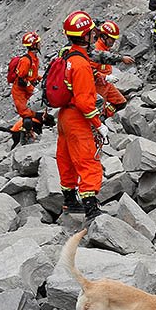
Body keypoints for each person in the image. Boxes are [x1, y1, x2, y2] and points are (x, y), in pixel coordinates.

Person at [56, 11, 110, 221]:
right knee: (88, 161)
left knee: (66, 158)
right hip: (77, 118)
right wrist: (98, 124)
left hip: (64, 117)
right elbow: (84, 101)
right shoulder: (80, 64)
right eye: (91, 34)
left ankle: (69, 201)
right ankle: (91, 209)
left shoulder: (67, 55)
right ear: (86, 35)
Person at [92, 20, 134, 118]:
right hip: (98, 86)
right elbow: (89, 71)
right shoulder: (96, 49)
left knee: (121, 102)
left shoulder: (105, 48)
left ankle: (106, 114)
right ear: (104, 36)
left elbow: (110, 57)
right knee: (98, 109)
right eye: (112, 39)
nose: (113, 42)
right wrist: (105, 77)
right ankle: (101, 119)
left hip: (107, 85)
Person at [12, 31, 43, 135]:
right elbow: (21, 80)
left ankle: (31, 132)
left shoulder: (33, 59)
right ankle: (26, 136)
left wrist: (40, 78)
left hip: (26, 92)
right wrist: (32, 89)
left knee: (31, 112)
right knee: (26, 115)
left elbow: (32, 75)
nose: (40, 44)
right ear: (34, 45)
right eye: (38, 43)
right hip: (20, 93)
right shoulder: (26, 60)